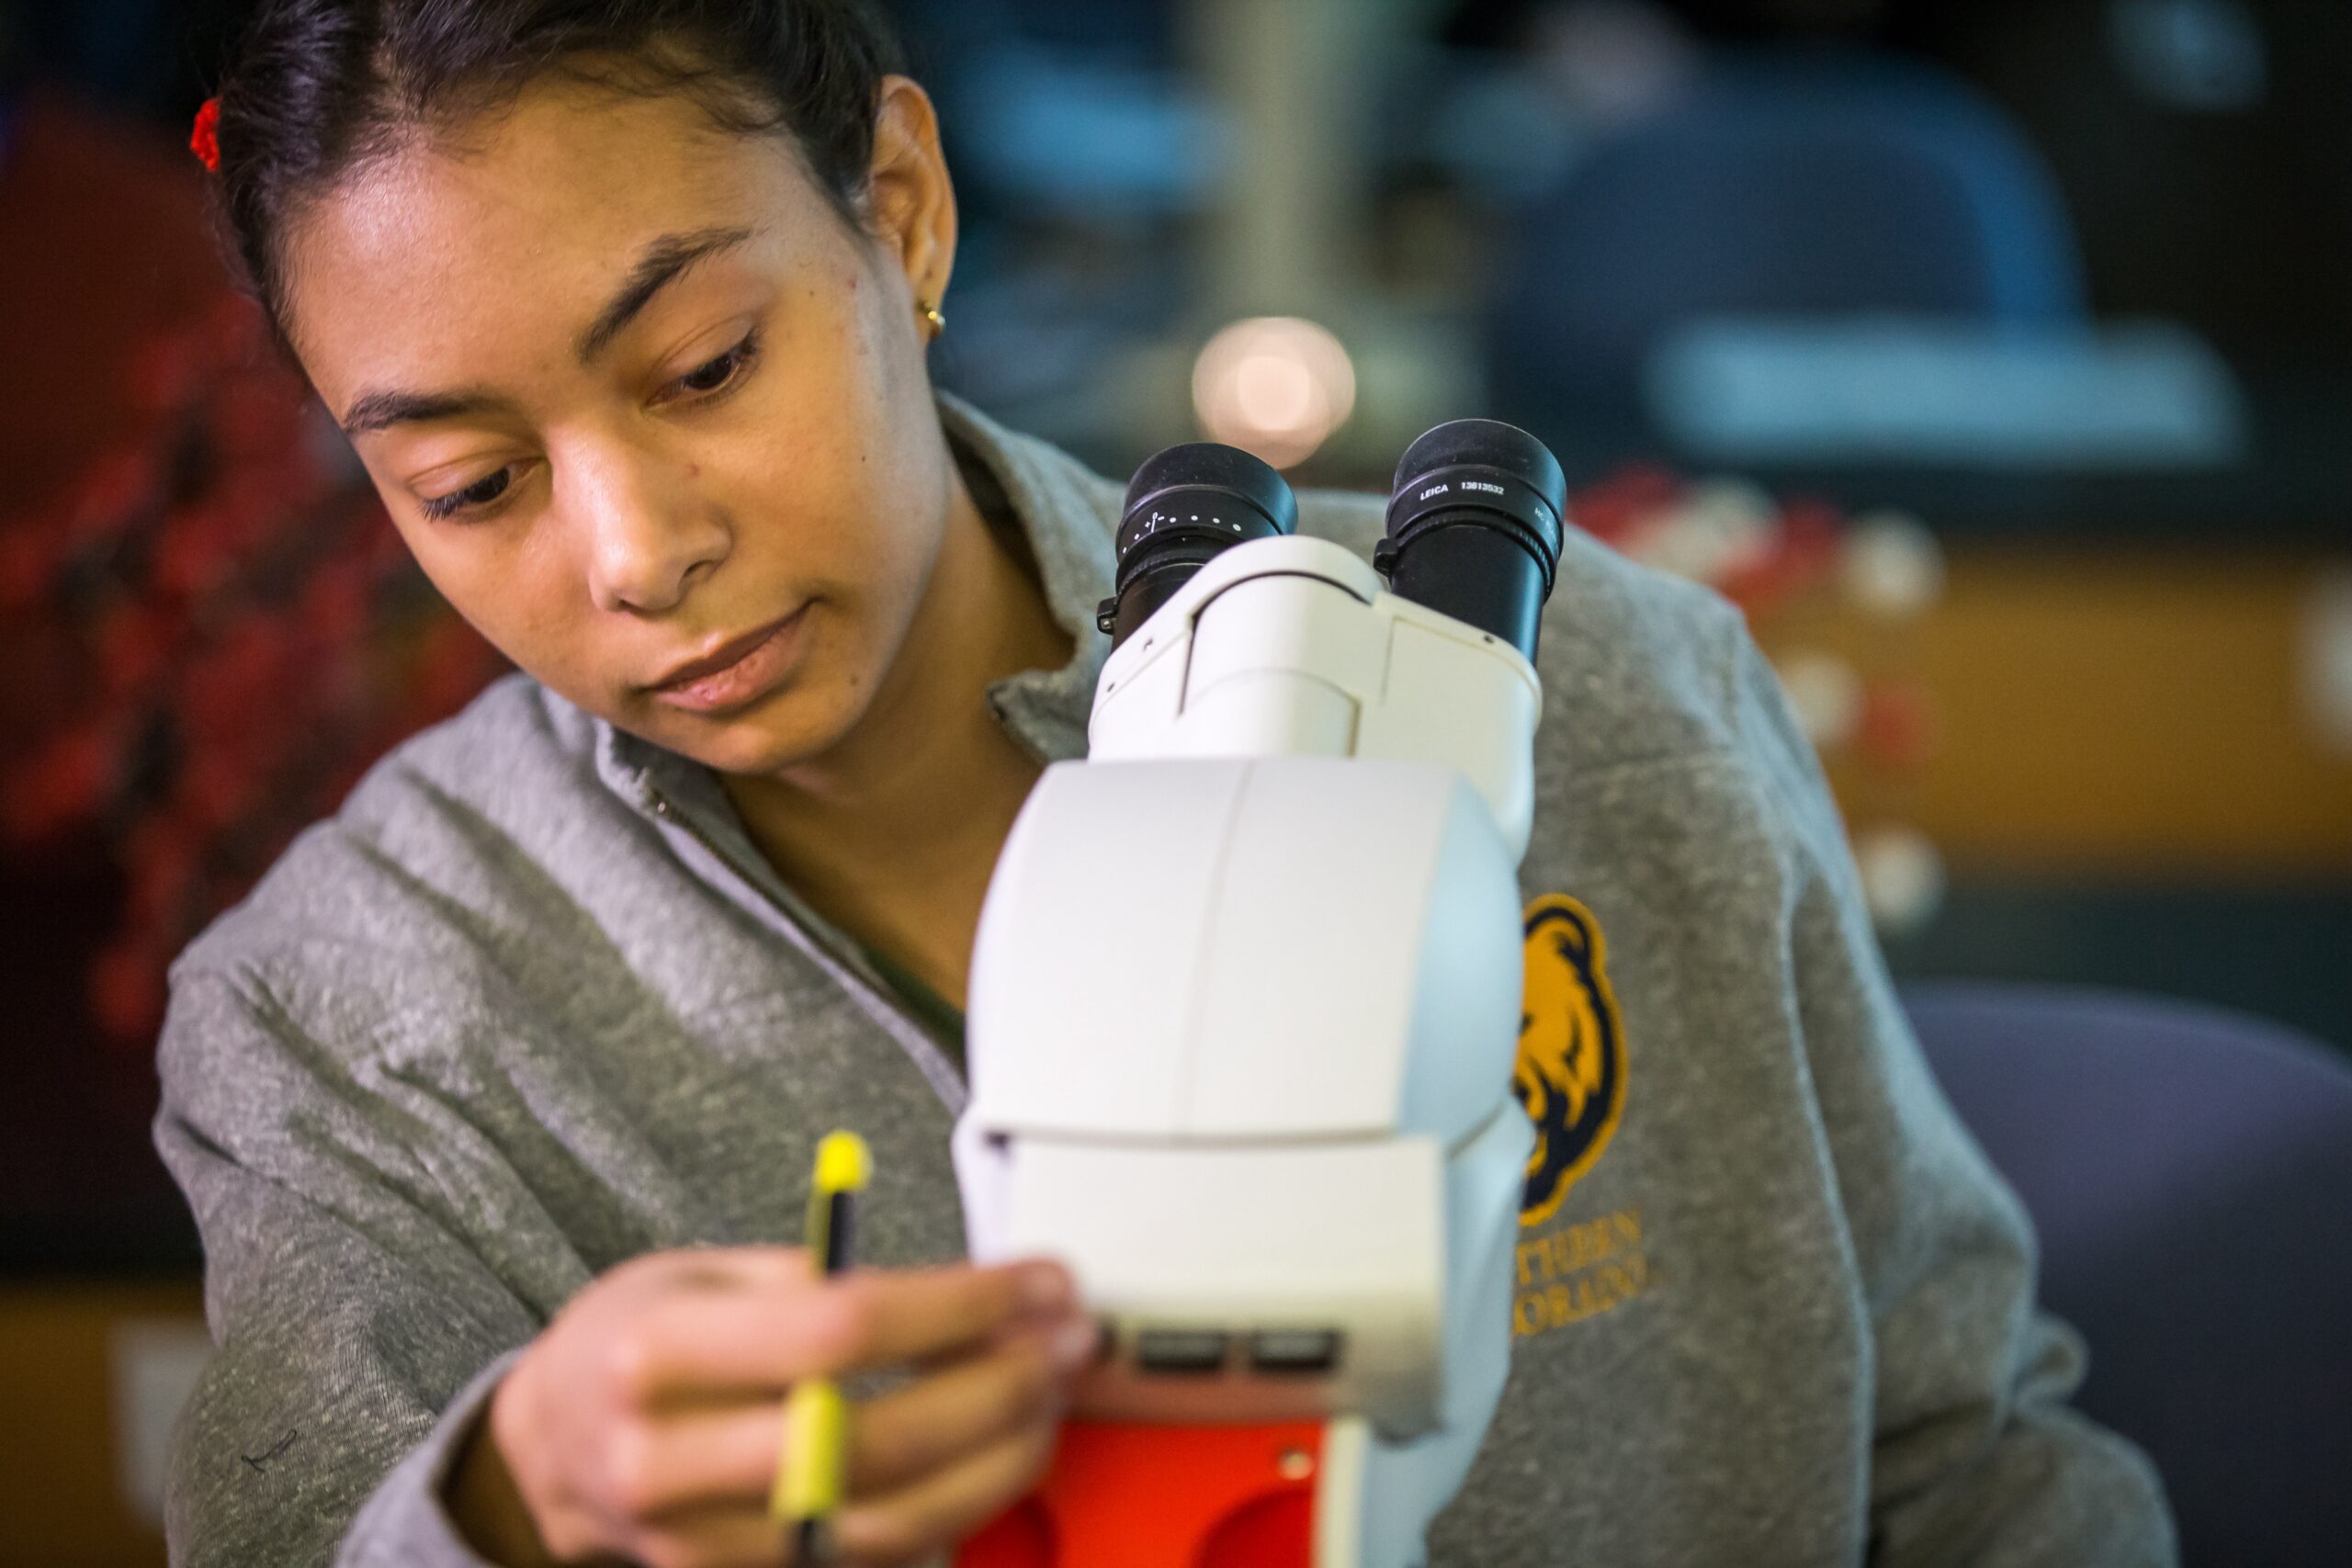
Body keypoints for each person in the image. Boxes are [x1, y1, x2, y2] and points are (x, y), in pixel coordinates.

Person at [155, 2, 2176, 1564]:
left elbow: (1970, 1462)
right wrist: (510, 1502)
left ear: (902, 211)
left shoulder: (1605, 699)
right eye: (471, 484)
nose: (629, 551)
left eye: (699, 368)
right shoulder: (347, 1024)